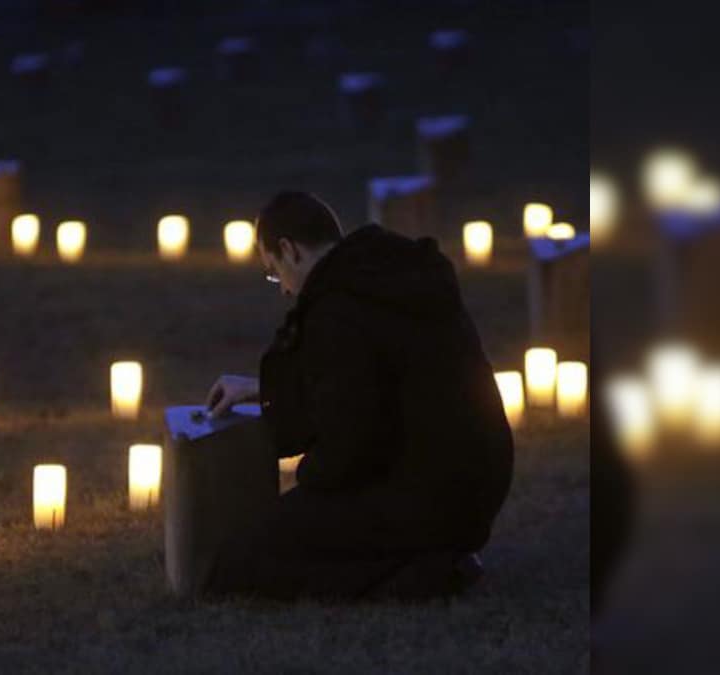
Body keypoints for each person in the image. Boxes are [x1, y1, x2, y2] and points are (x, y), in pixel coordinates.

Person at [202, 191, 514, 600]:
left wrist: (303, 481)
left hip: (425, 497)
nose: (282, 290)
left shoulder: (338, 311)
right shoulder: (391, 277)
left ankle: (429, 571)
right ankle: (436, 555)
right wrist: (263, 389)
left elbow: (350, 450)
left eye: (274, 272)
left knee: (239, 564)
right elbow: (377, 382)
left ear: (289, 250)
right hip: (478, 486)